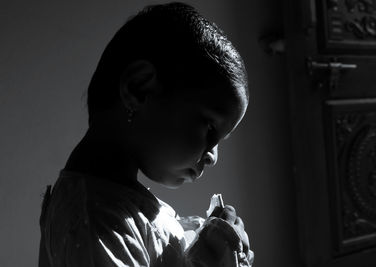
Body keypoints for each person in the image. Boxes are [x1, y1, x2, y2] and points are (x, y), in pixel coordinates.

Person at [39, 2, 254, 266]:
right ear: (140, 89)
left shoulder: (112, 207)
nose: (213, 156)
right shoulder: (96, 219)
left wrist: (202, 244)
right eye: (210, 128)